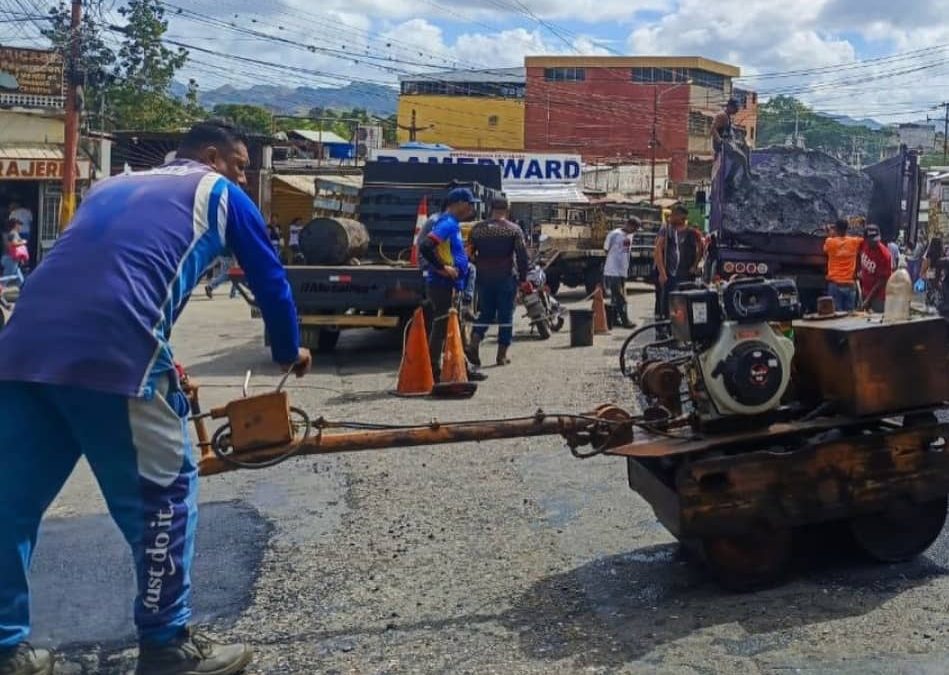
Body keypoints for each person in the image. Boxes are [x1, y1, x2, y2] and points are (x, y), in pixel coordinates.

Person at [0, 120, 312, 675]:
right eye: (241, 165)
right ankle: (167, 643)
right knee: (165, 495)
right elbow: (271, 277)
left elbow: (107, 268)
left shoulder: (112, 185)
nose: (243, 177)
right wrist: (289, 349)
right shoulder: (219, 192)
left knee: (10, 505)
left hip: (21, 349)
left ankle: (7, 650)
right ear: (214, 157)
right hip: (115, 352)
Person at [418, 187, 476, 381]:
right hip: (442, 284)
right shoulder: (447, 223)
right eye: (468, 204)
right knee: (442, 326)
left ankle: (463, 368)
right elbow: (426, 246)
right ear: (458, 203)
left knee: (456, 327)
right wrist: (442, 267)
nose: (471, 208)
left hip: (451, 284)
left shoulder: (454, 224)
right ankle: (433, 369)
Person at [466, 196, 529, 367]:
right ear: (507, 210)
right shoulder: (513, 230)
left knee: (485, 312)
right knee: (506, 316)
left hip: (484, 277)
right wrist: (523, 279)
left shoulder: (477, 230)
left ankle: (474, 343)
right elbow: (522, 256)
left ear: (490, 209)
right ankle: (501, 356)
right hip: (506, 277)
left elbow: (469, 255)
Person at [654, 205, 704, 319]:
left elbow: (701, 248)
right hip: (667, 273)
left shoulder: (691, 232)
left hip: (683, 273)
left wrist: (694, 265)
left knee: (680, 301)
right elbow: (657, 250)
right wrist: (662, 273)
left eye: (685, 218)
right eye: (682, 218)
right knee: (663, 301)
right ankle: (662, 328)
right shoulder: (665, 229)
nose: (670, 217)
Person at [603, 217, 640, 328]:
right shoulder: (614, 234)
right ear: (629, 225)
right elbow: (606, 249)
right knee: (620, 297)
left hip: (622, 271)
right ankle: (625, 321)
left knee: (616, 297)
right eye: (635, 228)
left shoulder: (630, 235)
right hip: (613, 270)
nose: (635, 231)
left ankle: (615, 320)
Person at [823, 218, 862, 312]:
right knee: (849, 317)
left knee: (835, 315)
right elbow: (863, 238)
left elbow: (826, 247)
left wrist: (829, 232)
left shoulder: (830, 242)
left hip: (835, 285)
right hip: (849, 284)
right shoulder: (854, 242)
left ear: (836, 229)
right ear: (847, 229)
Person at [858, 223, 892, 313]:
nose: (875, 242)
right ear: (866, 239)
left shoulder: (885, 255)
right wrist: (857, 271)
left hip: (878, 296)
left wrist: (868, 299)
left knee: (876, 321)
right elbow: (858, 255)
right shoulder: (863, 244)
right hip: (865, 291)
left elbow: (882, 280)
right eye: (872, 240)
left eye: (877, 240)